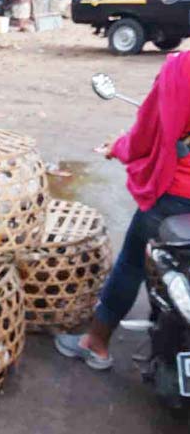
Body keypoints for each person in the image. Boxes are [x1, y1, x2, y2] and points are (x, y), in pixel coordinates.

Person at [55, 50, 190, 370]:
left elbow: (146, 136)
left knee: (132, 262)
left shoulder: (181, 69)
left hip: (176, 195)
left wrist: (118, 147)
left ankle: (96, 343)